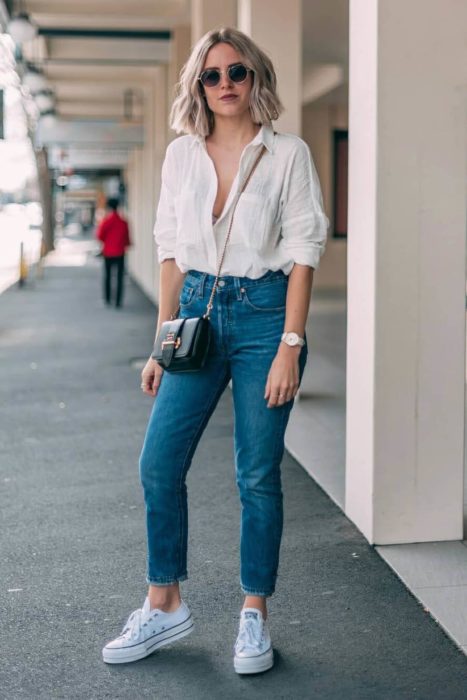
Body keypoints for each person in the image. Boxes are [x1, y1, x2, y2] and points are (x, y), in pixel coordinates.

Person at [102, 27, 329, 674]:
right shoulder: (179, 157)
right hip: (197, 313)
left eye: (236, 72)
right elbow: (170, 252)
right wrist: (159, 344)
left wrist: (290, 343)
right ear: (197, 85)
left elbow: (303, 250)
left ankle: (253, 613)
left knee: (255, 474)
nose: (225, 83)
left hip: (264, 318)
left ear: (255, 78)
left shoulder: (286, 154)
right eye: (212, 75)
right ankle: (164, 602)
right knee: (157, 464)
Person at [96, 197, 131, 308]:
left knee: (108, 276)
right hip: (120, 252)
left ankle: (107, 299)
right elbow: (127, 238)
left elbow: (100, 236)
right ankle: (118, 302)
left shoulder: (106, 221)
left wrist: (107, 243)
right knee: (120, 277)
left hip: (108, 252)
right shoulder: (123, 222)